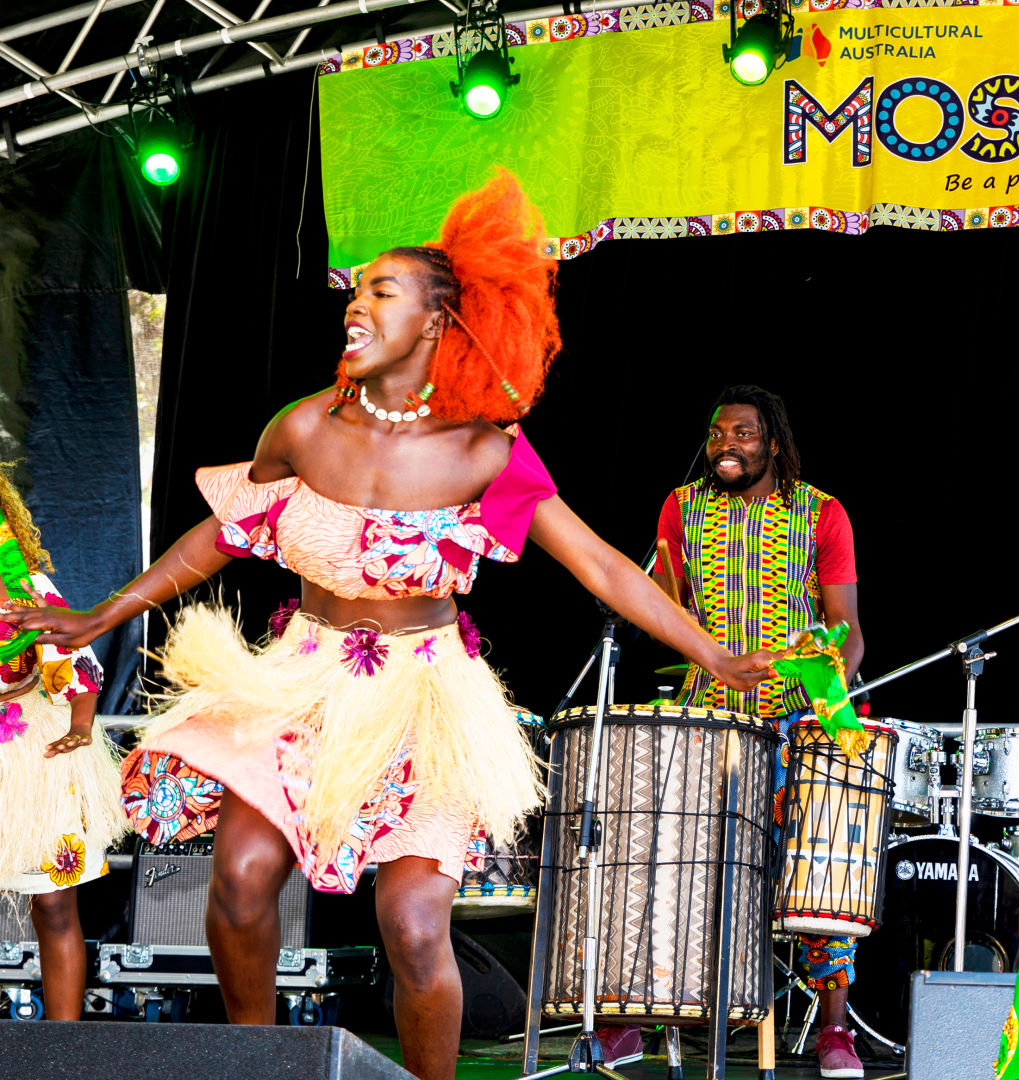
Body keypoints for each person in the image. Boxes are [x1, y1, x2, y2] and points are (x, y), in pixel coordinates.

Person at [1, 172, 773, 1080]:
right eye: (355, 288)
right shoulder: (302, 428)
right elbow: (224, 534)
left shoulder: (485, 450)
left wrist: (710, 652)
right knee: (243, 879)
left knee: (411, 926)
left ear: (437, 323)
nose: (355, 305)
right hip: (300, 679)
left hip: (423, 694)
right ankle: (255, 1066)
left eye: (381, 290)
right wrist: (104, 613)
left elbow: (602, 565)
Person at [654, 385, 865, 1080]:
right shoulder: (681, 510)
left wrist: (828, 683)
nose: (726, 445)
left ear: (772, 441)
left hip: (801, 720)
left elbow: (848, 631)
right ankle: (654, 1014)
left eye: (742, 433)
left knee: (819, 873)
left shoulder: (821, 513)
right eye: (717, 435)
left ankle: (835, 1029)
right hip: (709, 718)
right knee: (680, 867)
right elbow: (668, 611)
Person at [0, 469, 126, 1020]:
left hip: (33, 750)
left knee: (52, 905)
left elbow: (78, 666)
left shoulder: (25, 588)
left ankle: (63, 1048)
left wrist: (80, 726)